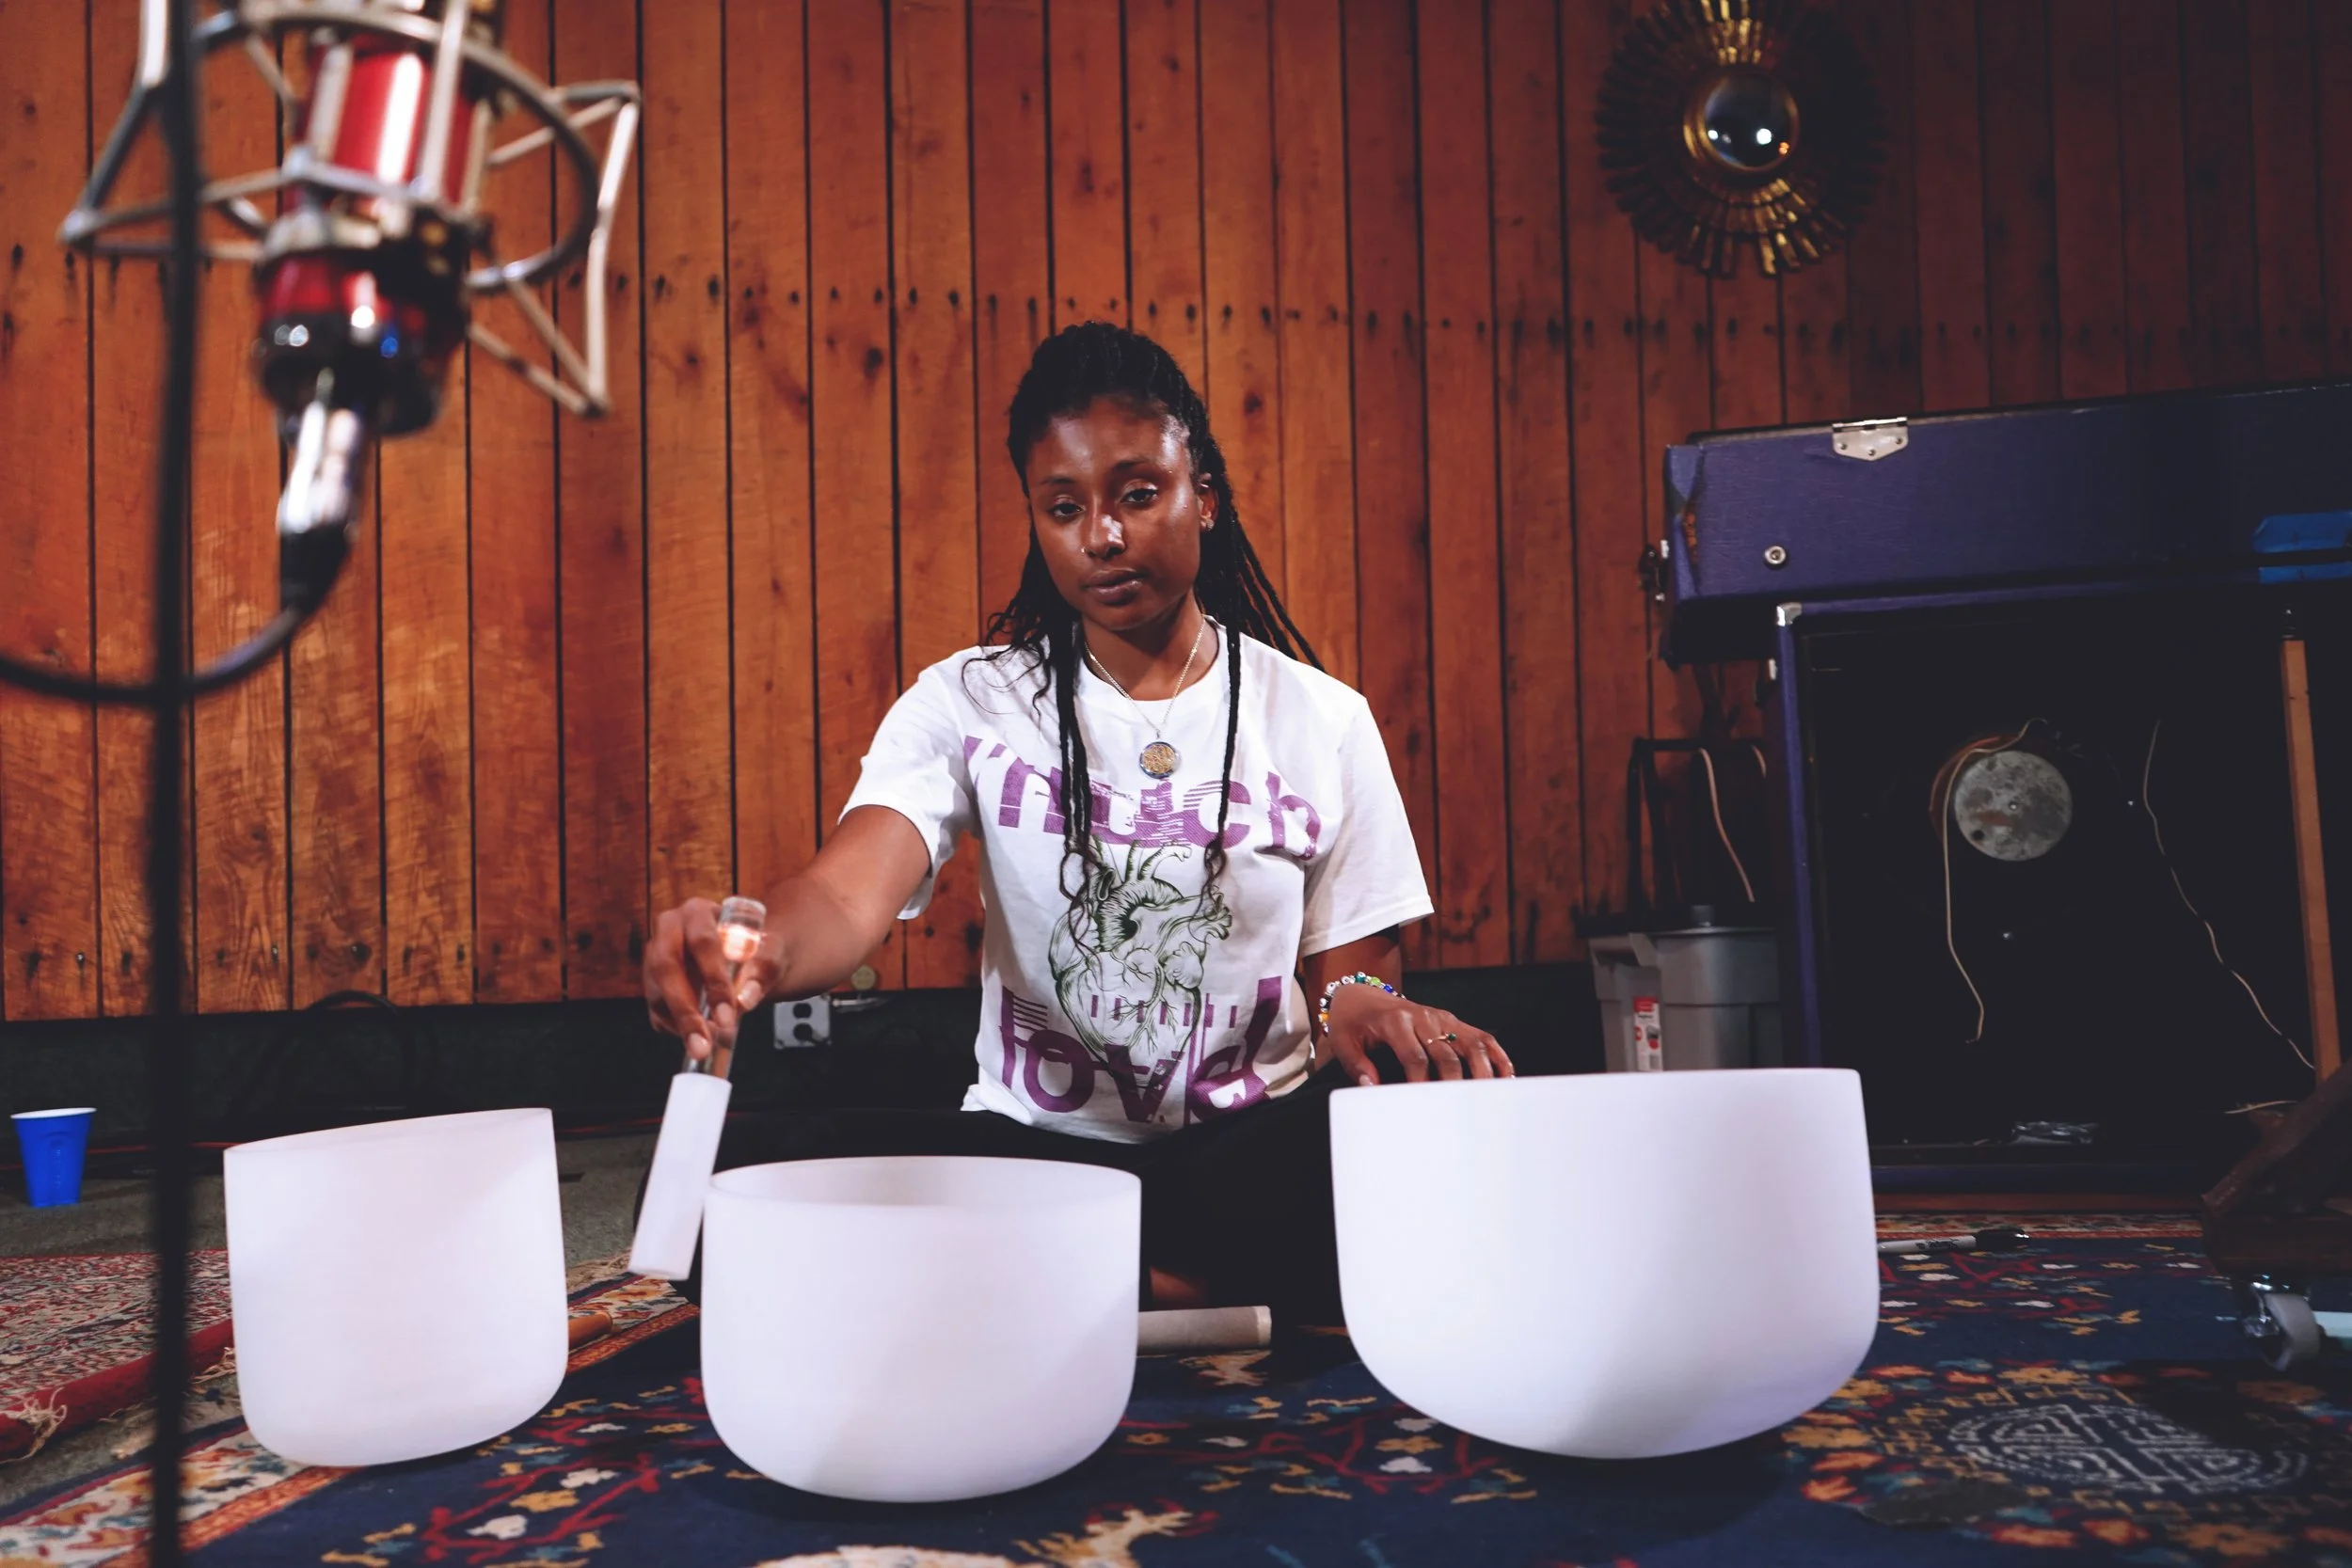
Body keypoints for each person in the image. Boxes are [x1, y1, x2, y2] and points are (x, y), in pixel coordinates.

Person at [641, 322, 1509, 1321]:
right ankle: (1178, 1282)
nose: (1101, 535)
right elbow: (844, 890)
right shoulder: (969, 700)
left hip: (1243, 1157)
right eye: (1064, 508)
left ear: (1205, 496)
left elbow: (1355, 975)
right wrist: (752, 945)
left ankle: (1037, 1282)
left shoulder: (1320, 716)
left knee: (1416, 1118)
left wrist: (1362, 1007)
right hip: (1031, 1156)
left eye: (1138, 494)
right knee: (729, 1174)